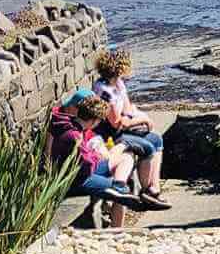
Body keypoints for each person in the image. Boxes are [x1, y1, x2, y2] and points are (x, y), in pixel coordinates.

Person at [48, 92, 161, 227]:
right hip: (78, 179)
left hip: (85, 170)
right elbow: (86, 165)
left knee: (125, 157)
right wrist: (96, 156)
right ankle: (117, 228)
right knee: (122, 194)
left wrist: (100, 154)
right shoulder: (74, 135)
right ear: (94, 120)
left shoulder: (74, 126)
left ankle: (119, 186)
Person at [91, 49, 169, 207]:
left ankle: (153, 188)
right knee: (146, 146)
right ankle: (147, 190)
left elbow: (127, 110)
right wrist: (143, 119)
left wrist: (139, 117)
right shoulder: (105, 91)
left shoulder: (118, 84)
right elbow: (117, 122)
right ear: (120, 67)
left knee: (156, 139)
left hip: (121, 130)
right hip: (110, 136)